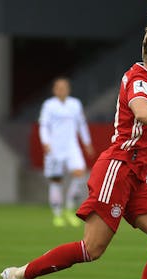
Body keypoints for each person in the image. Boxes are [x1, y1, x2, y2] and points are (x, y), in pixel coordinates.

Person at [0, 10, 147, 279]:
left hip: (135, 176)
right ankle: (20, 275)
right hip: (118, 170)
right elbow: (141, 112)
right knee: (91, 249)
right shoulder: (138, 79)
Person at [39, 77, 95, 227]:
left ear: (68, 89)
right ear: (54, 90)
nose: (61, 90)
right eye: (58, 87)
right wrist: (46, 142)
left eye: (64, 87)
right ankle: (57, 214)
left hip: (72, 146)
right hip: (54, 147)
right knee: (56, 180)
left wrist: (87, 142)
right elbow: (43, 125)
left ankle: (69, 209)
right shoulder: (49, 105)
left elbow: (81, 125)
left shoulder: (75, 104)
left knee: (80, 174)